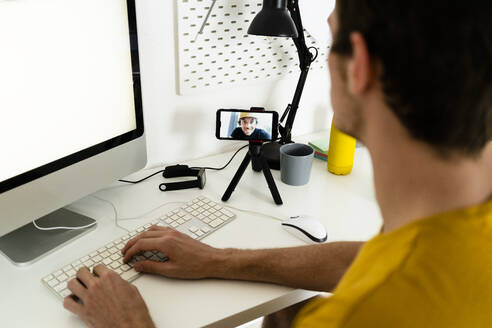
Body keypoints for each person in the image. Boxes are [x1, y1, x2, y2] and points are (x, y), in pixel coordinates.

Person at [63, 1, 492, 327]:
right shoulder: (452, 219)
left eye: (329, 39)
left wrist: (133, 323)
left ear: (359, 66)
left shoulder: (360, 314)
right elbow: (369, 259)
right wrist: (220, 260)